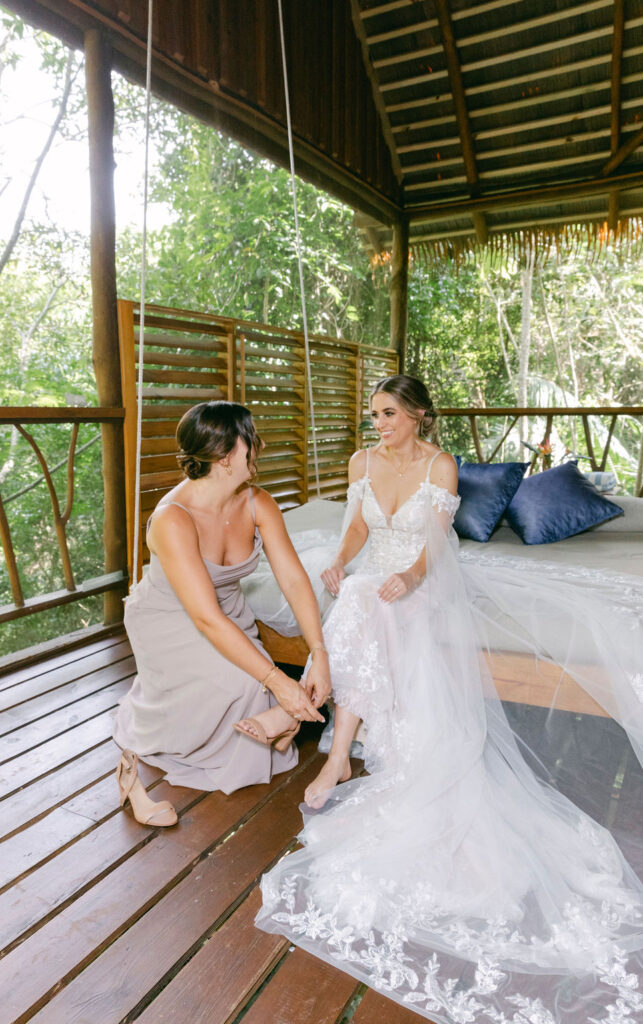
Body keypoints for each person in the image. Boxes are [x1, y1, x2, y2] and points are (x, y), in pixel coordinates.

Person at [255, 375, 643, 1023]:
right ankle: (339, 752)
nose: (375, 423)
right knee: (352, 599)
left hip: (424, 582)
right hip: (376, 576)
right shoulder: (360, 461)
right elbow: (354, 530)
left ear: (417, 417)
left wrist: (406, 578)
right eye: (371, 413)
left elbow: (434, 541)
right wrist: (340, 565)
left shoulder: (440, 464)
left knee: (371, 609)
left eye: (386, 413)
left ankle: (332, 747)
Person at [113, 400, 331, 825]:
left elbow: (294, 579)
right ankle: (271, 720)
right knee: (249, 685)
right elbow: (205, 618)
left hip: (228, 609)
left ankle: (279, 720)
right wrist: (279, 682)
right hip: (172, 618)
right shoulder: (173, 520)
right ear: (226, 455)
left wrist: (317, 651)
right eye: (251, 438)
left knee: (265, 687)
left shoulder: (257, 502)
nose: (260, 445)